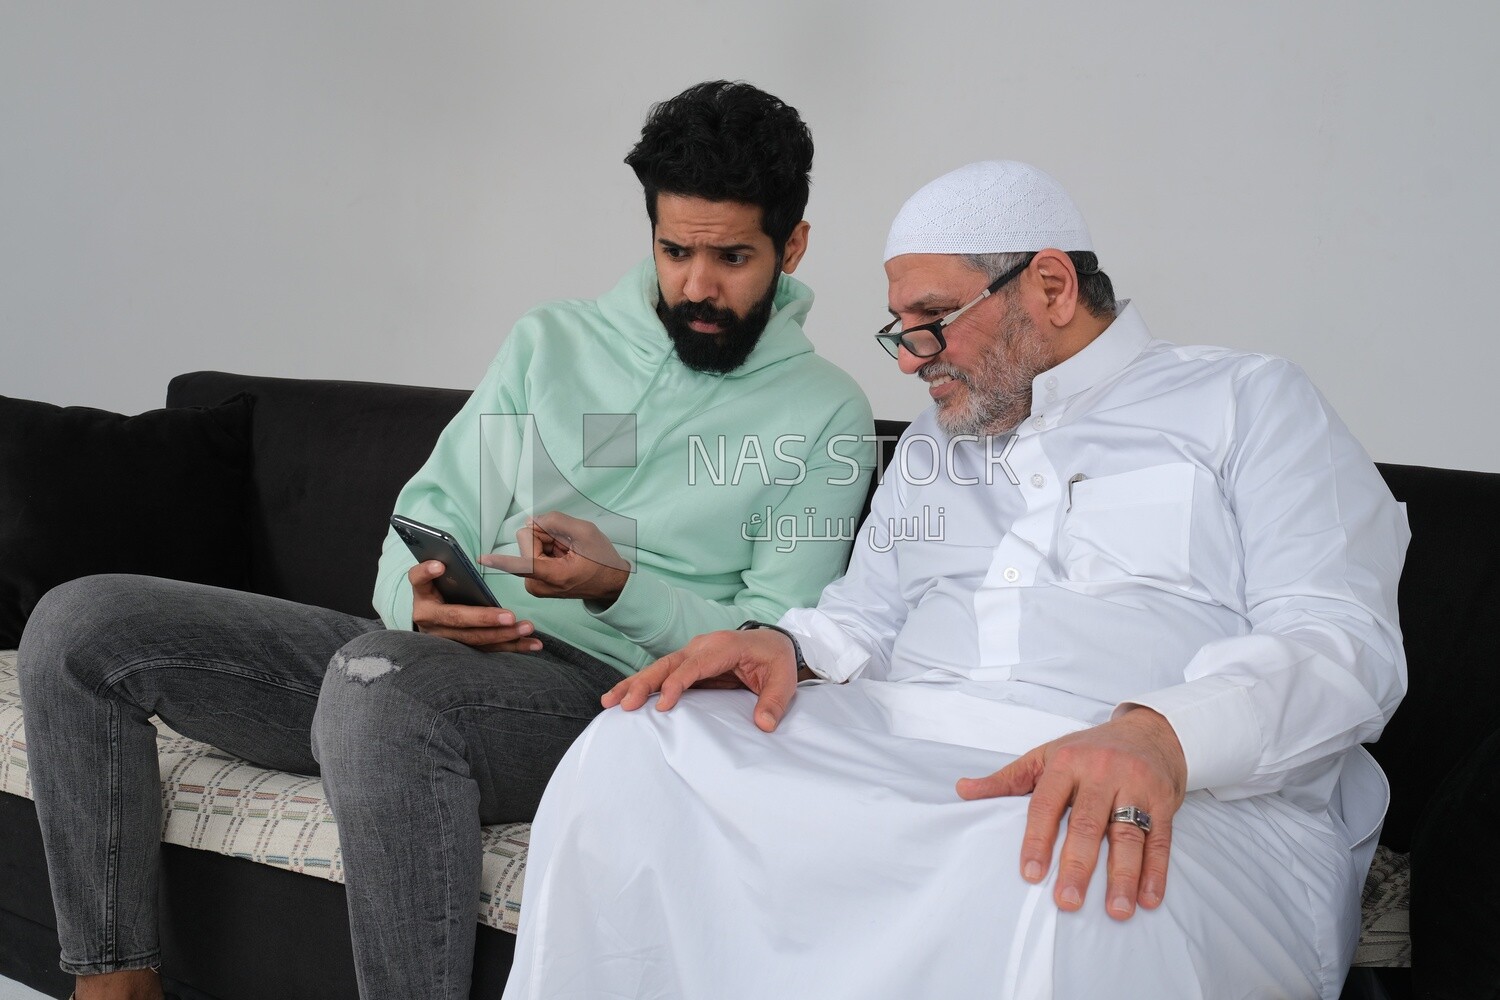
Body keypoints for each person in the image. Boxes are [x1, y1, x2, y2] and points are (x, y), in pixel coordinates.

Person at [18, 80, 874, 1000]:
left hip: (613, 704)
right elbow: (435, 512)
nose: (697, 286)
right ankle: (114, 983)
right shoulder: (553, 346)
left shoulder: (823, 412)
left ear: (793, 247)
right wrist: (417, 600)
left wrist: (616, 586)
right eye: (674, 251)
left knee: (375, 693)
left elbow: (766, 643)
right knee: (80, 626)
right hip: (424, 662)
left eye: (732, 258)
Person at [501, 161, 1410, 999]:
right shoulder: (938, 441)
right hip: (902, 743)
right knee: (637, 748)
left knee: (1060, 872)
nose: (907, 356)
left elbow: (1340, 642)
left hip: (1155, 775)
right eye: (900, 327)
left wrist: (1162, 735)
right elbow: (867, 611)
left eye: (932, 319)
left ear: (1049, 286)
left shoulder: (1248, 402)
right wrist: (782, 644)